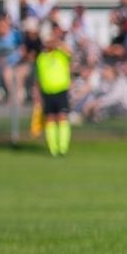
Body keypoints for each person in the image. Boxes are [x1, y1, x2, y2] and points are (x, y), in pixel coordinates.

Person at [35, 28, 72, 157]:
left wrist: (58, 43)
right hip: (47, 91)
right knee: (50, 119)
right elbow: (38, 78)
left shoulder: (61, 54)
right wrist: (37, 94)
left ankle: (63, 147)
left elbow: (69, 52)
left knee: (62, 117)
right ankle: (53, 149)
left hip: (61, 90)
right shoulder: (41, 58)